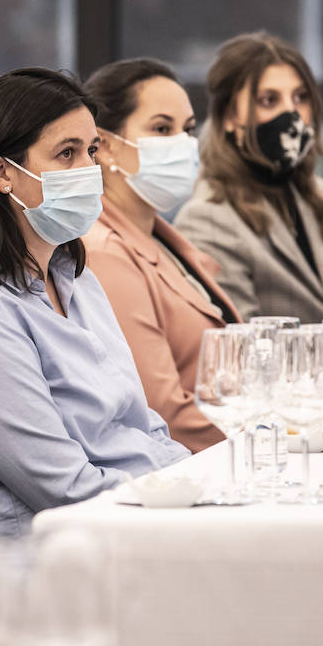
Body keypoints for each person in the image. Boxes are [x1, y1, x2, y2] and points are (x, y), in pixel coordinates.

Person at [0, 67, 189, 533]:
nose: (88, 171)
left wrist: (200, 483)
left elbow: (145, 429)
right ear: (1, 173)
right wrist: (184, 504)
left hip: (137, 523)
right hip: (57, 562)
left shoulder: (75, 279)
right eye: (66, 153)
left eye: (92, 151)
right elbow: (66, 491)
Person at [81, 58, 241, 453]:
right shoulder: (104, 251)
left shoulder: (161, 238)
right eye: (161, 128)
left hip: (231, 453)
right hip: (194, 471)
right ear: (104, 147)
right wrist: (280, 436)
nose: (183, 144)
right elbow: (164, 413)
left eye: (187, 130)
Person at [174, 31, 323, 322]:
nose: (291, 114)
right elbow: (242, 344)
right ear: (229, 117)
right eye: (269, 100)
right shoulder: (208, 218)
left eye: (301, 98)